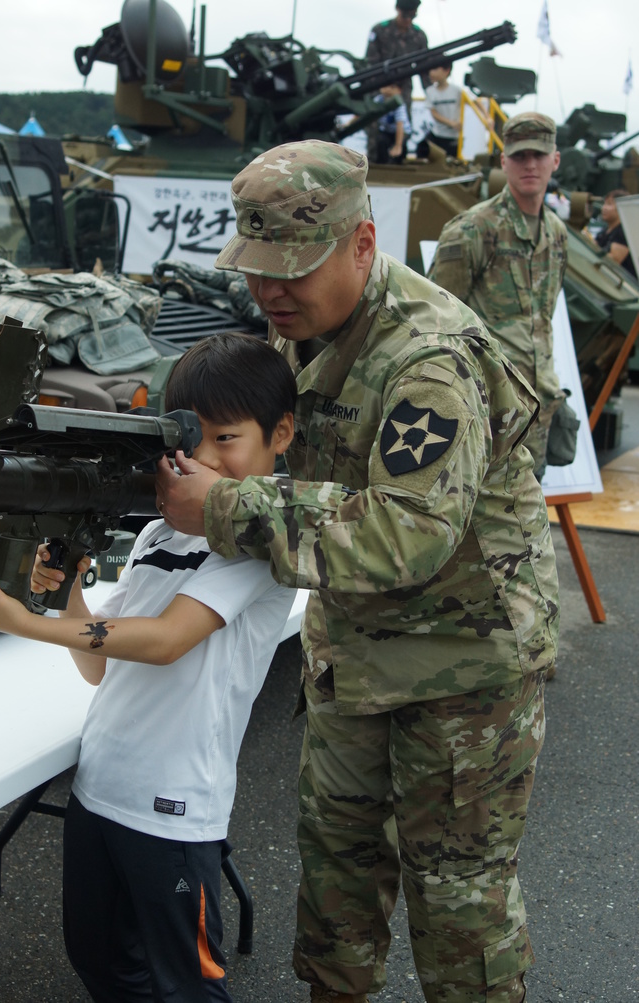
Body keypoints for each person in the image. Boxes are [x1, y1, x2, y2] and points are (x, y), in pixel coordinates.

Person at [154, 139, 560, 1003]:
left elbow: (408, 532)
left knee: (458, 905)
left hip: (464, 662)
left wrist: (226, 510)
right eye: (257, 267)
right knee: (336, 880)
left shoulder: (428, 358)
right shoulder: (298, 325)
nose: (270, 291)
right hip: (355, 647)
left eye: (293, 269)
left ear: (364, 244)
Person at [0, 332, 298, 1003]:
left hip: (173, 815)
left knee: (190, 984)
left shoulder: (264, 549)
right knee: (102, 963)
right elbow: (101, 665)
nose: (202, 462)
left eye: (227, 440)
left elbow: (168, 638)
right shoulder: (160, 531)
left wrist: (23, 620)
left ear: (280, 434)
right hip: (100, 789)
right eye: (188, 443)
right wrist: (66, 591)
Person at [428, 111, 568, 480]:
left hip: (536, 407)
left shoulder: (555, 233)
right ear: (504, 162)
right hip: (486, 411)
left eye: (539, 155)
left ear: (555, 160)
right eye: (520, 156)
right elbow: (435, 323)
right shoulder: (473, 230)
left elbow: (544, 320)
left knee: (527, 522)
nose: (530, 165)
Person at [365, 0, 428, 159]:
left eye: (411, 17)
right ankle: (374, 160)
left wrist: (430, 92)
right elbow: (370, 62)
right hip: (378, 86)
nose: (407, 21)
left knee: (403, 124)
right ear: (398, 10)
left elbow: (424, 66)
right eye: (405, 16)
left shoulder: (419, 36)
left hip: (403, 88)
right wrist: (379, 88)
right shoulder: (380, 30)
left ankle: (399, 157)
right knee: (374, 125)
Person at [419, 58, 462, 157]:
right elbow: (434, 113)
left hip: (453, 136)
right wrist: (451, 123)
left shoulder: (457, 90)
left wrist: (488, 118)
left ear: (447, 71)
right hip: (437, 134)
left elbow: (476, 102)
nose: (431, 73)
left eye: (434, 69)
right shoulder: (430, 91)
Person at [594, 188, 637, 279]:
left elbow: (614, 261)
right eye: (604, 204)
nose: (604, 208)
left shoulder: (623, 232)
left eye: (609, 204)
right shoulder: (605, 230)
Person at [374, 82, 412, 163]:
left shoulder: (399, 104)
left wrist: (398, 145)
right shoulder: (378, 100)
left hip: (402, 131)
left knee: (400, 149)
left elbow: (400, 125)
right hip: (386, 130)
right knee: (381, 142)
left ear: (399, 90)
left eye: (392, 87)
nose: (387, 89)